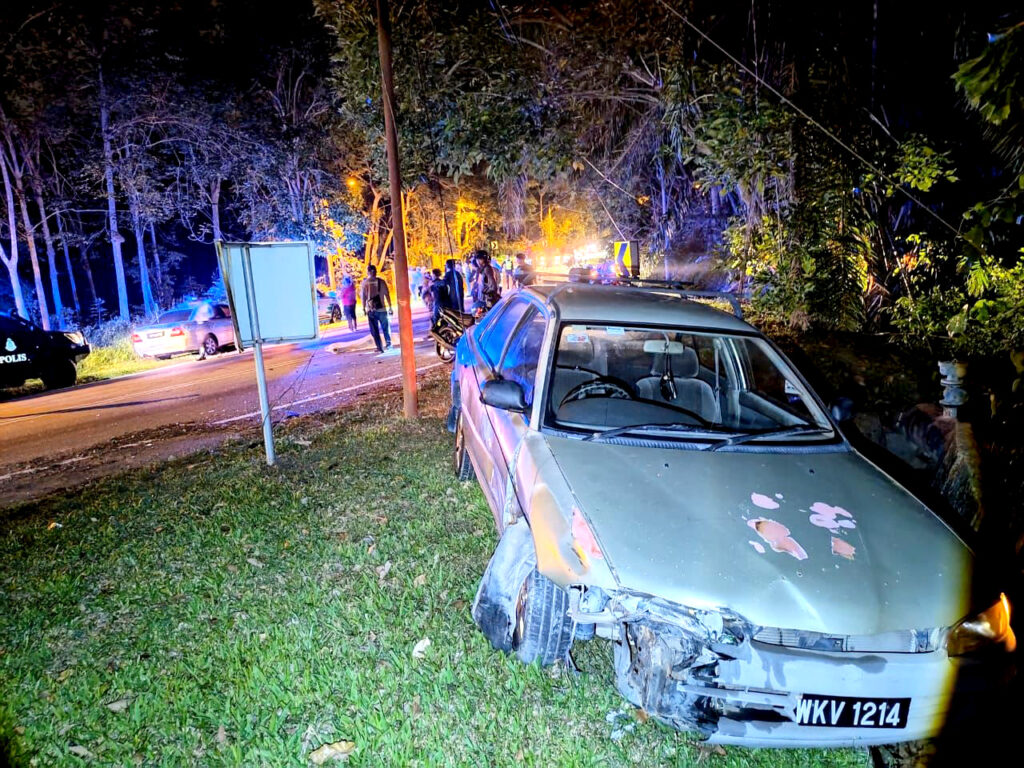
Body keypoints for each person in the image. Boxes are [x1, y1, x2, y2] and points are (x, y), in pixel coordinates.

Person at [360, 264, 393, 353]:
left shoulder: (364, 283)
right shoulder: (381, 282)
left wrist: (363, 308)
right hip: (382, 308)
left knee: (374, 330)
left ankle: (379, 347)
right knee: (385, 327)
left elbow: (363, 297)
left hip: (371, 310)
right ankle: (388, 344)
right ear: (375, 271)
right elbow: (387, 294)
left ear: (368, 272)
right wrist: (390, 306)